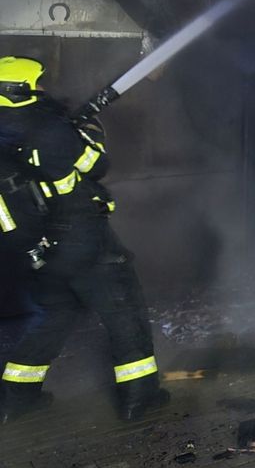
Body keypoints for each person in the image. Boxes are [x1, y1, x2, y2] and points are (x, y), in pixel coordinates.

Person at [0, 56, 167, 423]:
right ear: (19, 90)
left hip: (37, 249)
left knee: (53, 316)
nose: (43, 88)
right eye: (36, 83)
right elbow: (97, 166)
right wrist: (89, 132)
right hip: (82, 239)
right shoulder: (48, 128)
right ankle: (139, 396)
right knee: (125, 313)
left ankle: (16, 398)